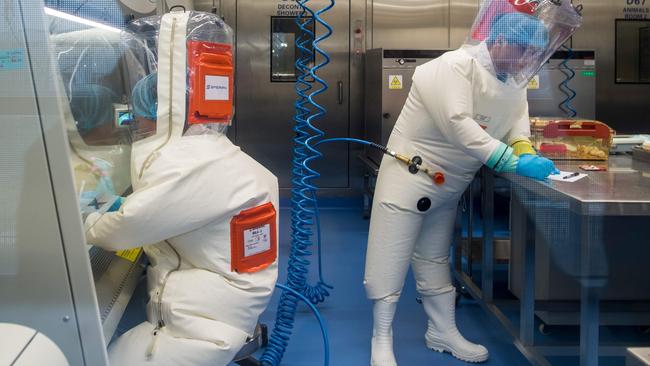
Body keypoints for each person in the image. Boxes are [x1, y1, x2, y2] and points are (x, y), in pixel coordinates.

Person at [364, 1, 582, 364]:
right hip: (409, 177)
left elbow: (516, 122)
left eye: (532, 51)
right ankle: (381, 340)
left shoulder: (513, 78)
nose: (525, 57)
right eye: (520, 48)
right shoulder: (452, 67)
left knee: (434, 257)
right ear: (498, 40)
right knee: (389, 259)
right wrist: (509, 161)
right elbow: (458, 125)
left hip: (450, 184)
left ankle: (441, 331)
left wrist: (524, 148)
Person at [84, 11, 279, 365]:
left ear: (163, 112)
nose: (136, 121)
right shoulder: (212, 152)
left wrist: (85, 220)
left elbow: (122, 229)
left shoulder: (192, 166)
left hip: (205, 323)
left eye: (141, 112)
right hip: (227, 304)